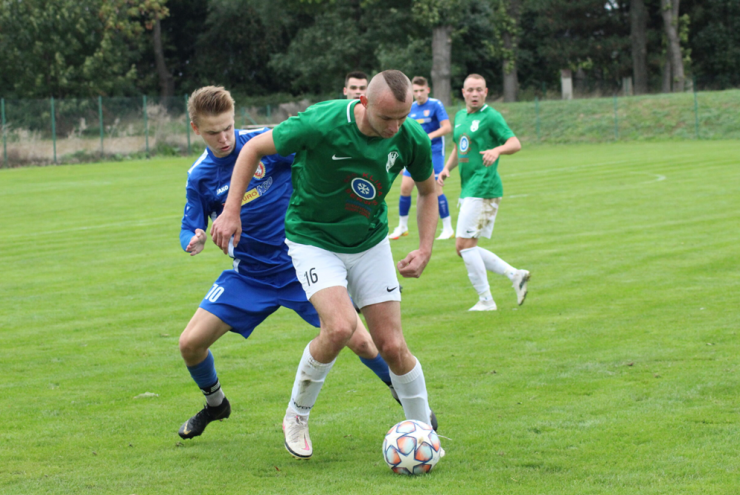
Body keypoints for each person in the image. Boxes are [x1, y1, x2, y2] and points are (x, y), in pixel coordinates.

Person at [211, 70, 441, 460]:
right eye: (387, 118)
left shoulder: (410, 137)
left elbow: (427, 190)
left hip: (369, 242)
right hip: (313, 240)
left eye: (402, 118)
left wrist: (425, 247)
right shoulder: (321, 121)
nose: (395, 127)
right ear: (364, 103)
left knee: (393, 346)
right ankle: (296, 416)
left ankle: (423, 434)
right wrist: (231, 210)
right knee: (339, 327)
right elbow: (251, 150)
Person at [177, 86, 400, 440]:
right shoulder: (200, 176)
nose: (222, 138)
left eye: (227, 128)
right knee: (190, 343)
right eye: (211, 132)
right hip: (250, 276)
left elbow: (313, 148)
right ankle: (216, 404)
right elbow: (190, 224)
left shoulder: (264, 145)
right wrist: (194, 237)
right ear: (195, 129)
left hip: (301, 269)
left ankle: (404, 394)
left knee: (361, 341)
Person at [437, 74, 530, 312]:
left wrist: (497, 150)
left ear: (485, 92)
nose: (475, 94)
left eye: (479, 90)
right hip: (469, 187)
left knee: (464, 246)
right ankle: (514, 275)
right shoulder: (459, 117)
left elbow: (515, 143)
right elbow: (460, 146)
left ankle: (487, 300)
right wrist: (447, 168)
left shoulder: (491, 116)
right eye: (471, 90)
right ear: (464, 92)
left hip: (485, 187)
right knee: (464, 247)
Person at [389, 76, 454, 241]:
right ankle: (402, 226)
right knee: (405, 188)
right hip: (415, 154)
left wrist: (428, 136)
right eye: (415, 91)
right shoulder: (410, 107)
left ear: (428, 89)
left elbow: (447, 127)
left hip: (434, 153)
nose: (418, 94)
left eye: (421, 90)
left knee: (436, 188)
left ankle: (448, 228)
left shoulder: (435, 105)